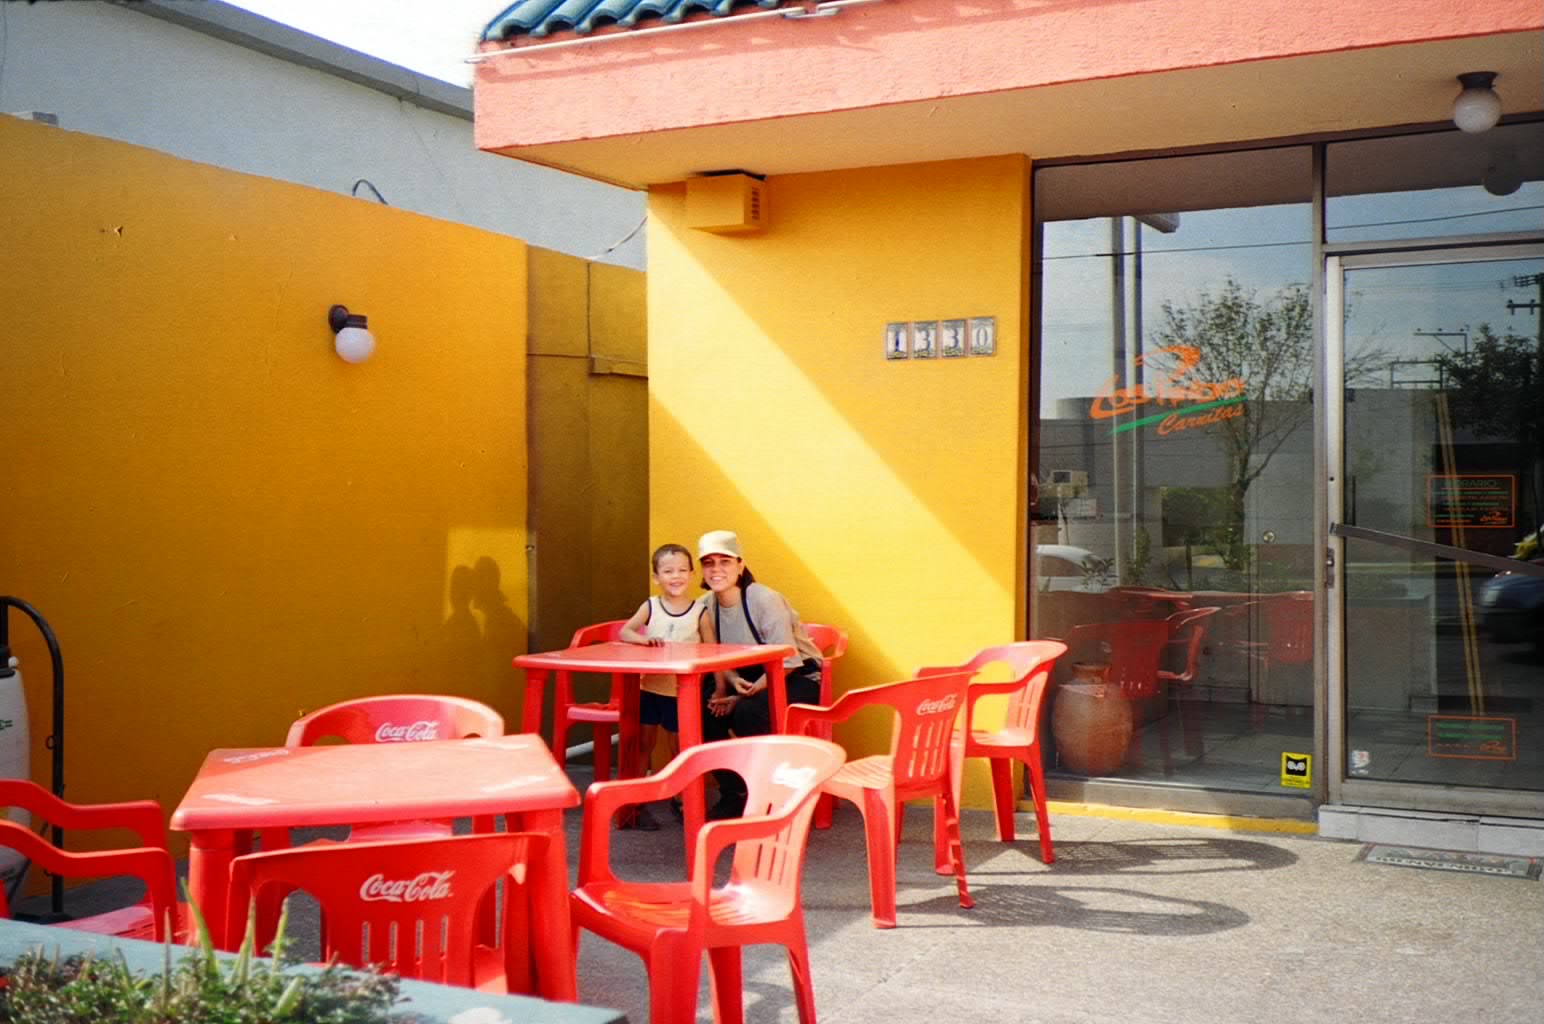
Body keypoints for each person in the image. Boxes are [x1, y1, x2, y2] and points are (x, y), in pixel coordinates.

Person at [696, 529, 826, 819]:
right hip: (742, 677)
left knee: (747, 715)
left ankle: (769, 796)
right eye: (709, 563)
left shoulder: (764, 599)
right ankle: (734, 791)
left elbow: (789, 660)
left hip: (795, 675)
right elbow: (711, 654)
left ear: (740, 565)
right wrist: (729, 684)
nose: (717, 569)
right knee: (699, 712)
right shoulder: (706, 605)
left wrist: (745, 695)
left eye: (725, 561)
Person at [618, 543, 710, 830]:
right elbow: (626, 631)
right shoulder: (651, 606)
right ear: (656, 576)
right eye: (668, 571)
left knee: (679, 747)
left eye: (683, 570)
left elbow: (712, 649)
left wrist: (716, 686)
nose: (676, 576)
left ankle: (683, 800)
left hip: (681, 692)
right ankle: (637, 802)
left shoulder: (699, 610)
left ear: (693, 574)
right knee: (644, 744)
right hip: (650, 688)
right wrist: (642, 640)